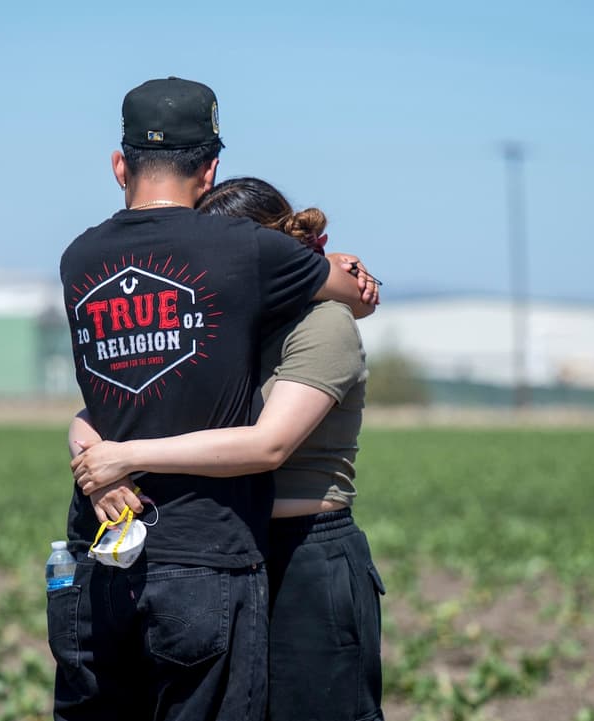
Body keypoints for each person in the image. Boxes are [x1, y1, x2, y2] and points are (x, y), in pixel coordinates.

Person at [50, 78, 378, 721]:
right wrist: (93, 453)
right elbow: (101, 410)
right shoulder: (223, 305)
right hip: (196, 548)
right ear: (208, 167)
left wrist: (115, 459)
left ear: (121, 164)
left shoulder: (310, 323)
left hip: (297, 549)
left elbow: (270, 442)